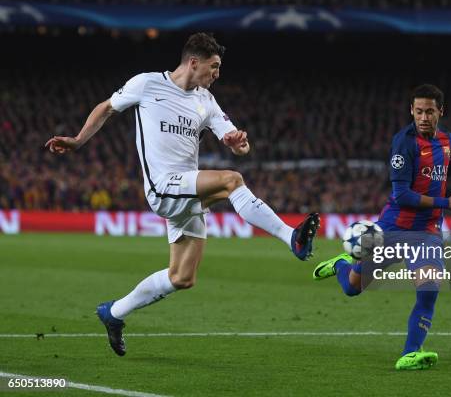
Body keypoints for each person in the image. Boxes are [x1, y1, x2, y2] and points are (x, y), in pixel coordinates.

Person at [45, 33, 320, 356]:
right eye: (214, 66)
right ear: (193, 62)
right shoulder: (147, 84)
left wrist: (238, 143)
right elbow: (106, 108)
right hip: (163, 186)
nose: (217, 73)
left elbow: (236, 140)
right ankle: (293, 239)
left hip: (187, 191)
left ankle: (114, 312)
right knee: (232, 180)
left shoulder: (206, 100)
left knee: (182, 277)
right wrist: (78, 141)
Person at [312, 84, 451, 370]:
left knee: (429, 289)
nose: (423, 117)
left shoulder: (446, 139)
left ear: (440, 112)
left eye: (430, 112)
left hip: (428, 232)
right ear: (411, 111)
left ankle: (410, 353)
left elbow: (441, 168)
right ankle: (341, 266)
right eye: (418, 111)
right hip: (395, 227)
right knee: (352, 288)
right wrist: (446, 202)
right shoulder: (404, 142)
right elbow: (402, 195)